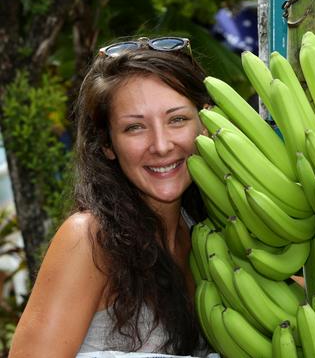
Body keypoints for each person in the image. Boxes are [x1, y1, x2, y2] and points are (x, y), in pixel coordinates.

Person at [10, 37, 211, 356]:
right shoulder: (90, 238)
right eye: (135, 128)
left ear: (205, 125)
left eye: (177, 120)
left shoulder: (208, 235)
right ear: (107, 144)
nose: (160, 145)